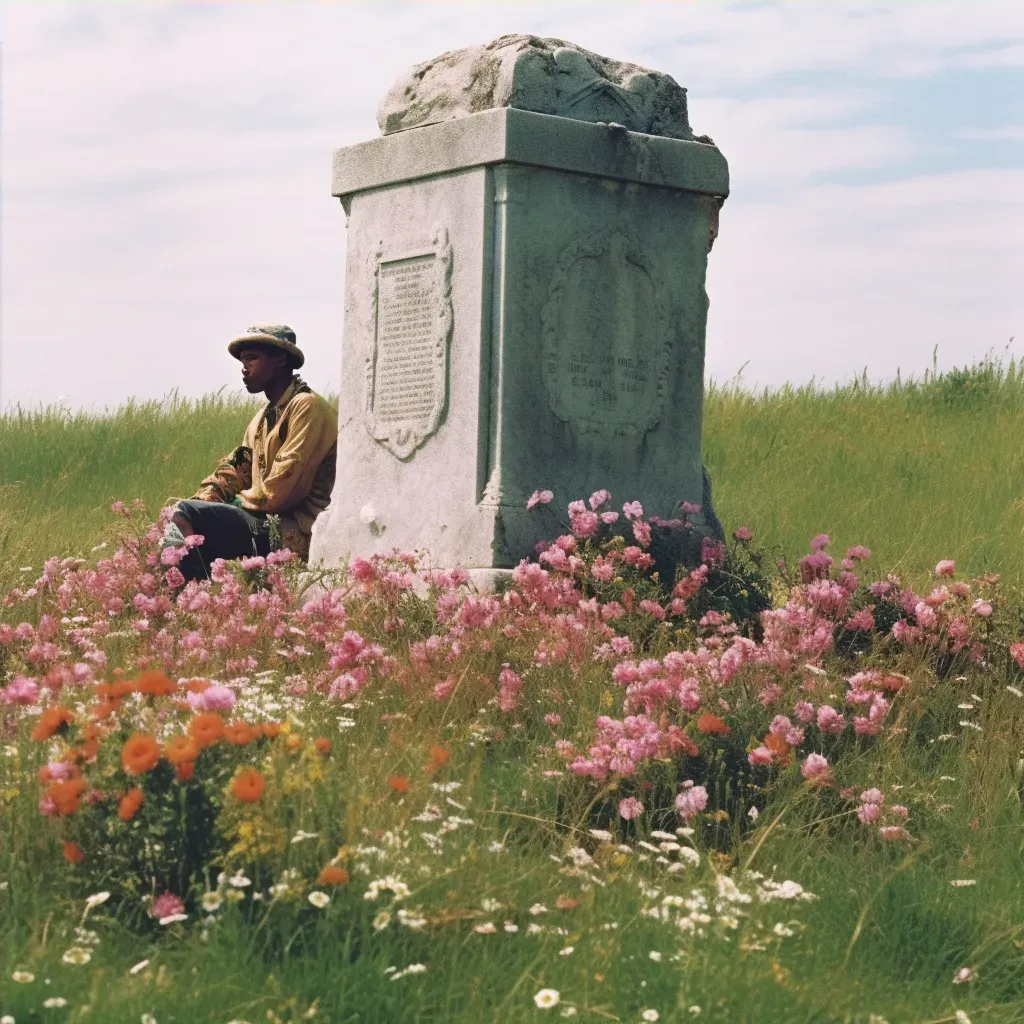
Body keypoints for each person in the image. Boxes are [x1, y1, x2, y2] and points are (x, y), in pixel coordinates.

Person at [165, 323, 337, 582]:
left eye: (252, 358)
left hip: (297, 530)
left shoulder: (307, 407)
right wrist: (206, 498)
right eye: (242, 360)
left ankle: (187, 597)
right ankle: (191, 601)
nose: (244, 368)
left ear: (280, 360)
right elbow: (236, 469)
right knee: (179, 515)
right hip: (265, 522)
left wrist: (225, 506)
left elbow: (283, 487)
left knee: (188, 515)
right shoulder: (262, 418)